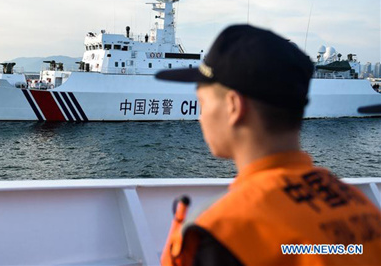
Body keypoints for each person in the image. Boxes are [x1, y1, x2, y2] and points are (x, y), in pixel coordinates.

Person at [156, 24, 381, 266]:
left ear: (234, 106)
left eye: (203, 101)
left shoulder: (212, 233)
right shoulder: (366, 212)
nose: (201, 116)